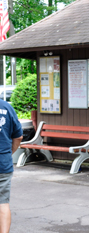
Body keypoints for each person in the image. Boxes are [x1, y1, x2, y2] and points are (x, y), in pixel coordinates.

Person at [0, 99, 23, 233]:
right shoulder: (7, 107)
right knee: (2, 203)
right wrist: (9, 153)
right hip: (3, 162)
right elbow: (18, 137)